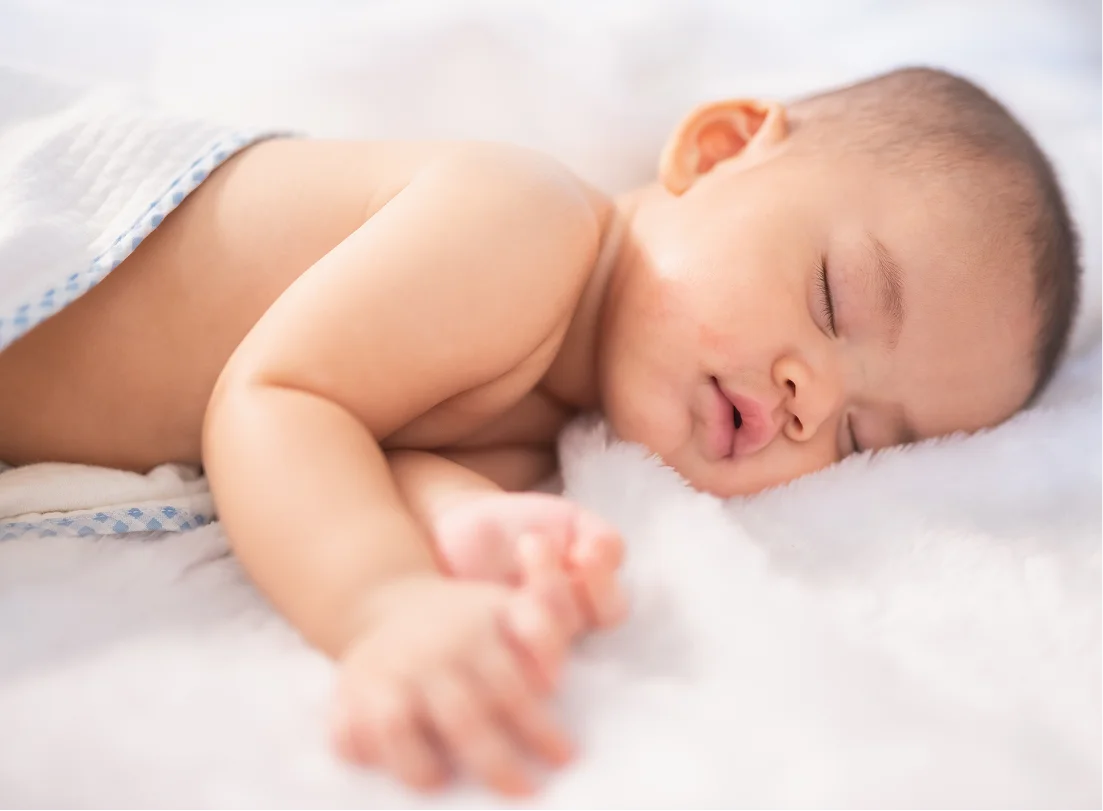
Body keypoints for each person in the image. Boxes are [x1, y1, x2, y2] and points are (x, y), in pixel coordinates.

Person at [0, 66, 1081, 795]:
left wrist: (488, 539)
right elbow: (279, 404)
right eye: (836, 298)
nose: (811, 397)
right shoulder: (521, 224)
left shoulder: (542, 430)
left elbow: (376, 463)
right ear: (716, 149)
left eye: (859, 436)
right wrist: (384, 605)